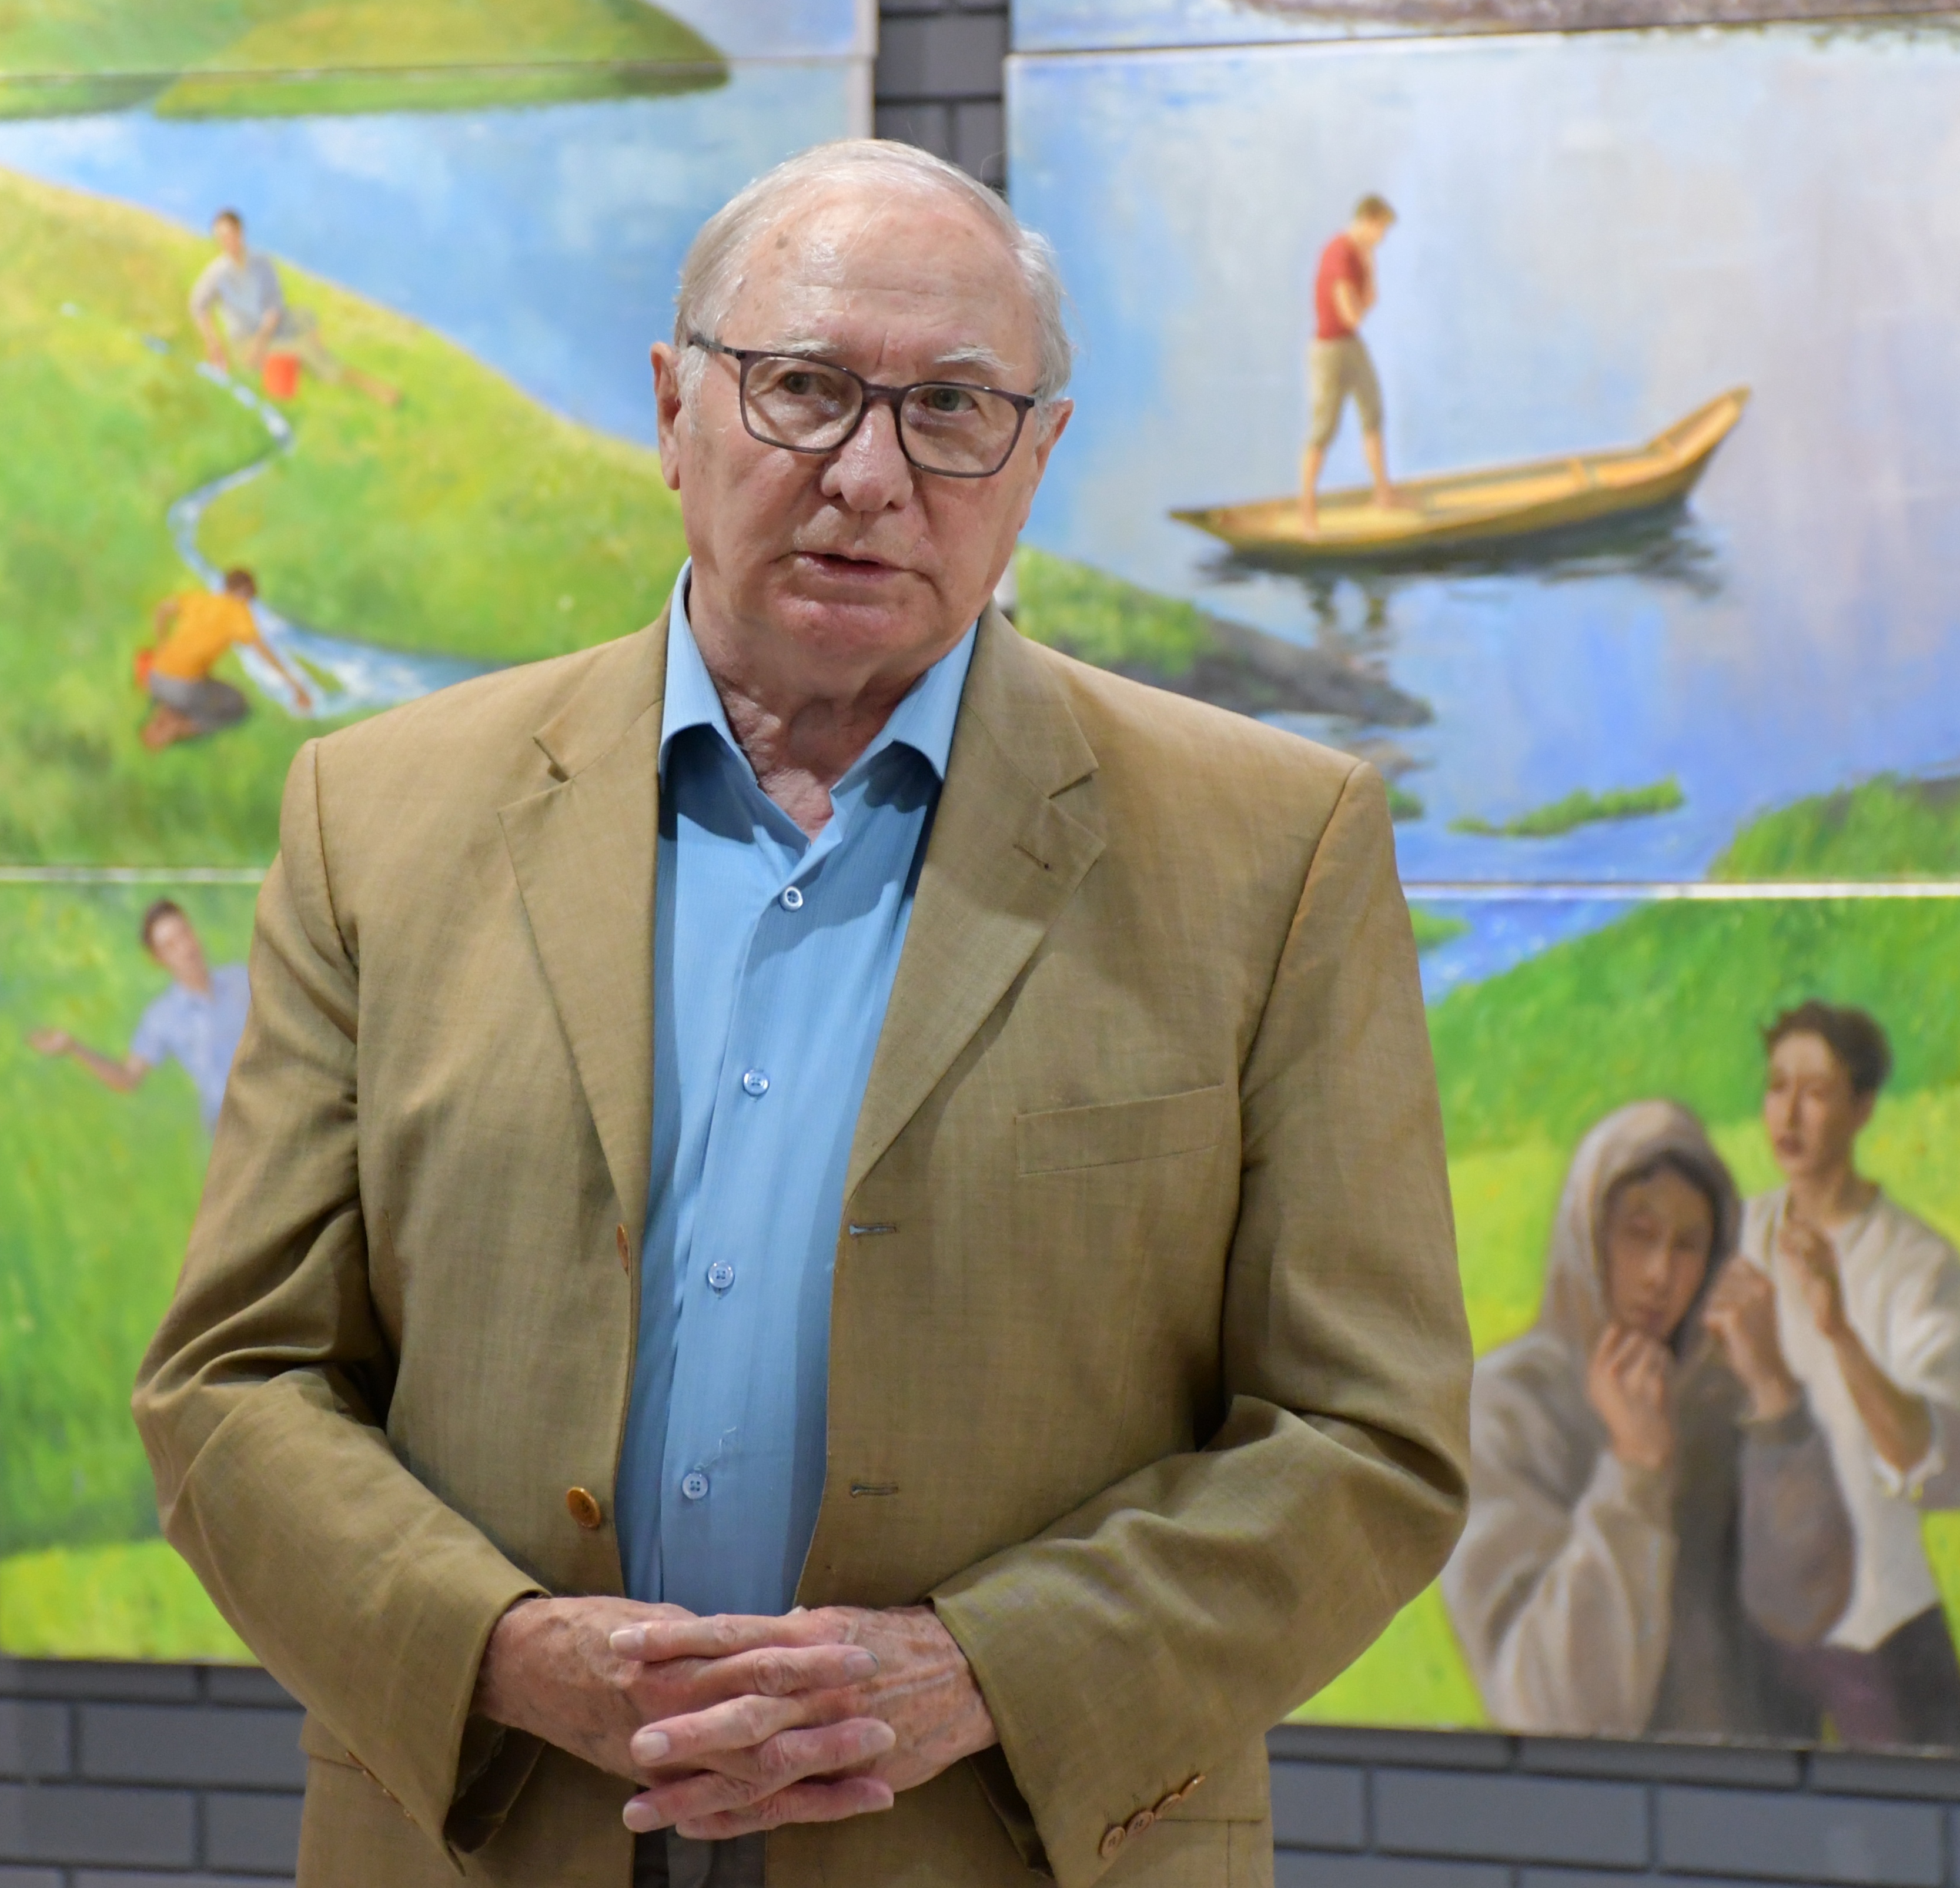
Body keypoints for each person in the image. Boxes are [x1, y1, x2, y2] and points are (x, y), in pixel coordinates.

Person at [133, 139, 1471, 1888]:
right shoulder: (376, 816)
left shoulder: (1270, 850)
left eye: (953, 408)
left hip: (1003, 1847)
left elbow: (1366, 1437)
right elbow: (236, 1378)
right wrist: (499, 1650)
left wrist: (981, 1672)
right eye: (806, 388)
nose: (870, 473)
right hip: (487, 1830)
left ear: (1036, 456)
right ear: (673, 409)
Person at [1443, 1100, 1855, 1742]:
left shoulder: (1729, 1393)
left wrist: (1776, 1403)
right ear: (1586, 1234)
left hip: (1742, 1778)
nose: (1660, 1274)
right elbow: (1554, 1710)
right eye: (1638, 1234)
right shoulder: (1505, 1410)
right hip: (1590, 1793)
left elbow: (1805, 1610)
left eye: (1687, 1245)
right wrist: (1633, 1472)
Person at [1739, 1002, 1960, 1750]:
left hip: (1877, 1624)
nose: (1788, 1113)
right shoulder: (1737, 1237)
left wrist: (1837, 1329)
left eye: (1815, 1091)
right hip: (1761, 1624)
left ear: (1862, 1107)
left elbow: (1935, 1461)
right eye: (1776, 1086)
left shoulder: (1917, 1263)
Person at [28, 900, 251, 1133]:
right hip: (230, 1127)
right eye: (170, 945)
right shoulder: (162, 1017)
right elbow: (127, 1078)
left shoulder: (242, 979)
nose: (186, 948)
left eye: (185, 933)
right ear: (158, 959)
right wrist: (73, 1047)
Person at [190, 207, 401, 409]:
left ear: (240, 233)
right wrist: (213, 343)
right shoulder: (218, 272)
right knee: (304, 348)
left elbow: (274, 308)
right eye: (221, 237)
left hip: (267, 331)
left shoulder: (262, 262)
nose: (226, 242)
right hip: (245, 342)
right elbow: (198, 305)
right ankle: (366, 385)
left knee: (305, 316)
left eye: (230, 235)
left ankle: (315, 365)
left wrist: (262, 340)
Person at [1297, 195, 1401, 534]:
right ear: (1368, 221)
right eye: (1381, 229)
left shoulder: (1360, 254)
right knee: (1323, 429)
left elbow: (1370, 301)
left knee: (1373, 411)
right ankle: (1307, 510)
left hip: (1350, 343)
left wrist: (1370, 264)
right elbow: (1352, 315)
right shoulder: (1339, 253)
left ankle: (1383, 494)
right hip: (1329, 351)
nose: (1382, 238)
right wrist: (1361, 302)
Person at [138, 567, 312, 751]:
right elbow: (265, 653)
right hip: (184, 689)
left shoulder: (202, 599)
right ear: (246, 591)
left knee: (203, 683)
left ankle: (164, 714)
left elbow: (163, 608)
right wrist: (296, 687)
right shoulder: (238, 612)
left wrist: (162, 642)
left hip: (155, 677)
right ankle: (177, 729)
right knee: (237, 703)